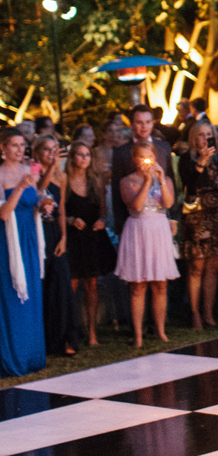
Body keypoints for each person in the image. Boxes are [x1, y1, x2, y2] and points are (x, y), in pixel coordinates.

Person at [116, 141, 179, 346]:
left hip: (159, 230)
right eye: (142, 157)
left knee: (161, 284)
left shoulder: (165, 178)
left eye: (149, 156)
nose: (146, 160)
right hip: (138, 230)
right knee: (138, 286)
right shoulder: (127, 181)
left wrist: (159, 180)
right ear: (135, 159)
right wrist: (145, 181)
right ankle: (138, 335)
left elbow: (168, 203)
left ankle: (160, 331)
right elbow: (136, 205)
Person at [0, 128, 46, 377]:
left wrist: (43, 203)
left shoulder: (30, 171)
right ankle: (12, 356)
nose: (20, 150)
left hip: (29, 236)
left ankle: (32, 354)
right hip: (9, 239)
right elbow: (4, 213)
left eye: (22, 145)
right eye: (14, 145)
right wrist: (19, 187)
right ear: (3, 148)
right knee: (13, 294)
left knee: (31, 293)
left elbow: (34, 201)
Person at [179, 119, 218, 328]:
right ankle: (195, 313)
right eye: (201, 134)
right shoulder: (186, 159)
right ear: (194, 137)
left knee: (213, 266)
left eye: (208, 134)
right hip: (197, 215)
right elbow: (189, 186)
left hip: (216, 213)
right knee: (196, 266)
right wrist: (201, 161)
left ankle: (209, 312)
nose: (205, 138)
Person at [65, 140, 116, 346]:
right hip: (73, 237)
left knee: (92, 284)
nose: (84, 158)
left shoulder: (95, 181)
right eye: (80, 154)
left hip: (92, 236)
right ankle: (69, 331)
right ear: (72, 157)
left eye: (87, 154)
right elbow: (60, 208)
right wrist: (70, 220)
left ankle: (92, 332)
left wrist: (102, 220)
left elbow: (103, 209)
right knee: (72, 285)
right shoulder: (65, 181)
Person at [34, 135, 80, 357]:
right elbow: (39, 192)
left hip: (54, 231)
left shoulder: (61, 177)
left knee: (61, 284)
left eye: (55, 150)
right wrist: (51, 168)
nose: (51, 154)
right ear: (38, 152)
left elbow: (60, 209)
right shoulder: (32, 172)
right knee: (42, 285)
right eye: (46, 150)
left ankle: (66, 338)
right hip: (36, 230)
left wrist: (64, 237)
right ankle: (44, 339)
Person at [111, 105, 174, 235]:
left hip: (161, 217)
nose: (144, 126)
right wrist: (120, 224)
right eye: (139, 122)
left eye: (148, 122)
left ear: (153, 123)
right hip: (135, 221)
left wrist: (173, 217)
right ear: (132, 124)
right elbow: (116, 191)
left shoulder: (164, 147)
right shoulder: (121, 152)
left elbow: (171, 181)